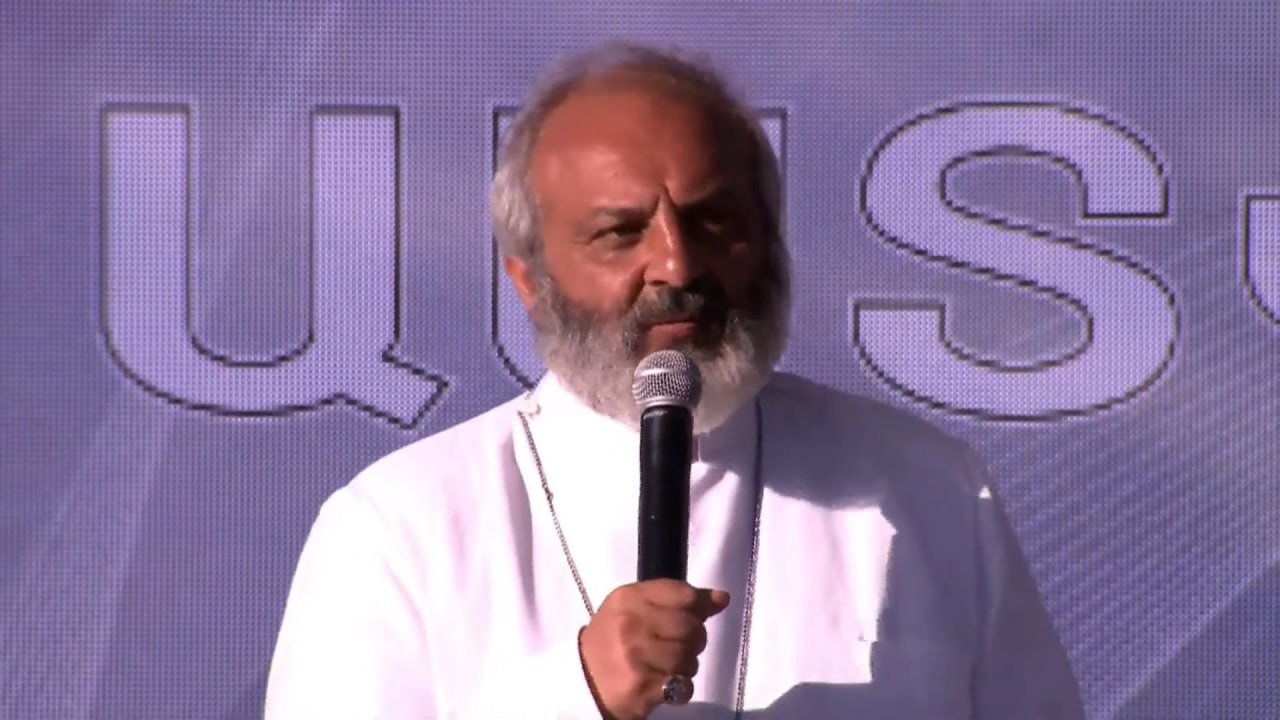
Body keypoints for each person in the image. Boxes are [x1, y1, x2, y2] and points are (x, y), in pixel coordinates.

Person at [264, 42, 1084, 719]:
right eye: (621, 233)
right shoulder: (398, 528)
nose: (678, 265)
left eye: (714, 221)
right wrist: (576, 693)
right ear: (530, 281)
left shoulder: (928, 487)